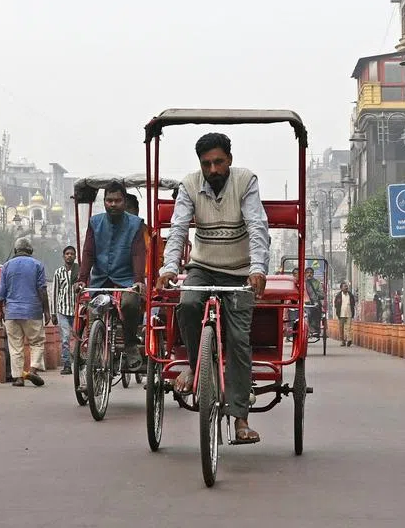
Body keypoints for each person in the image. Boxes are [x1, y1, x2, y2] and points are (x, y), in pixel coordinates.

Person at [156, 132, 269, 445]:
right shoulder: (190, 185)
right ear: (200, 165)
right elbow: (178, 228)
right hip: (202, 267)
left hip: (240, 271)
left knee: (237, 340)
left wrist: (258, 268)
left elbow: (257, 225)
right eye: (207, 164)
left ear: (229, 160)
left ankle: (241, 418)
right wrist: (168, 267)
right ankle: (195, 367)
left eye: (219, 162)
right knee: (188, 304)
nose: (213, 169)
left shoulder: (245, 181)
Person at [77, 181, 146, 373]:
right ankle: (91, 344)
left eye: (117, 200)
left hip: (125, 280)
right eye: (109, 200)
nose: (113, 204)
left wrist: (139, 280)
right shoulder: (95, 222)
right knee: (92, 309)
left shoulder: (135, 224)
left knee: (130, 304)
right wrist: (82, 279)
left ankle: (131, 344)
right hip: (100, 280)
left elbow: (138, 253)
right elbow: (88, 252)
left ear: (124, 202)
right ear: (104, 202)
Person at [0, 236, 50, 387]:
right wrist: (46, 310)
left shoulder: (6, 266)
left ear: (15, 250)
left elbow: (1, 292)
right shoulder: (37, 265)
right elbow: (42, 289)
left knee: (15, 346)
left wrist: (0, 311)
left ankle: (19, 377)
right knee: (37, 342)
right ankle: (33, 370)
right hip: (32, 310)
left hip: (12, 312)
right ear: (31, 251)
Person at [50, 246, 77, 374]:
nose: (69, 256)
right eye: (67, 254)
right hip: (63, 311)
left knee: (79, 338)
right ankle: (67, 365)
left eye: (72, 254)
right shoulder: (58, 272)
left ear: (75, 256)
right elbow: (55, 293)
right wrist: (53, 313)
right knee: (65, 338)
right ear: (63, 256)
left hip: (77, 311)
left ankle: (79, 362)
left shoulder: (80, 271)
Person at [334, 281, 356, 346]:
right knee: (341, 328)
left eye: (347, 286)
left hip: (349, 313)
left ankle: (349, 340)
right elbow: (336, 304)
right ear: (341, 288)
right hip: (341, 314)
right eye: (345, 286)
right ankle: (342, 341)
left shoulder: (350, 295)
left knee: (348, 327)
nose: (346, 287)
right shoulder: (338, 296)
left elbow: (353, 303)